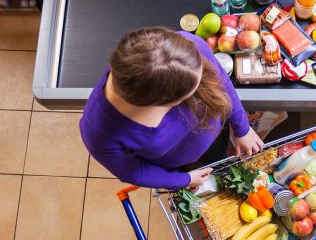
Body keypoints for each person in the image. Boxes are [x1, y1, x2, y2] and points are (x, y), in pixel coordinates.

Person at [79, 27, 263, 190]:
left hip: (214, 136)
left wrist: (242, 128)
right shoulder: (99, 135)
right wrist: (184, 179)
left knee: (217, 152)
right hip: (176, 162)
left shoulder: (185, 48)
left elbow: (220, 81)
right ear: (162, 105)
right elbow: (134, 172)